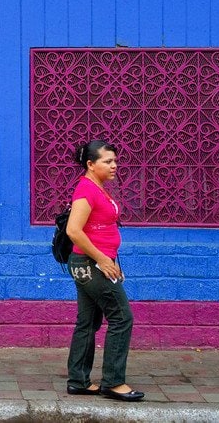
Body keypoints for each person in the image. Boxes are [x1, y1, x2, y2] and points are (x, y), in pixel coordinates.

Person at [64, 139, 144, 402]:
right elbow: (73, 231)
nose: (114, 166)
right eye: (107, 161)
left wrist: (112, 259)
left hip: (95, 263)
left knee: (88, 322)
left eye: (115, 161)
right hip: (89, 264)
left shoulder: (97, 188)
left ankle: (78, 380)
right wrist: (103, 259)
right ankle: (113, 381)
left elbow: (102, 229)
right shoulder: (86, 190)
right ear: (90, 164)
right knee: (122, 317)